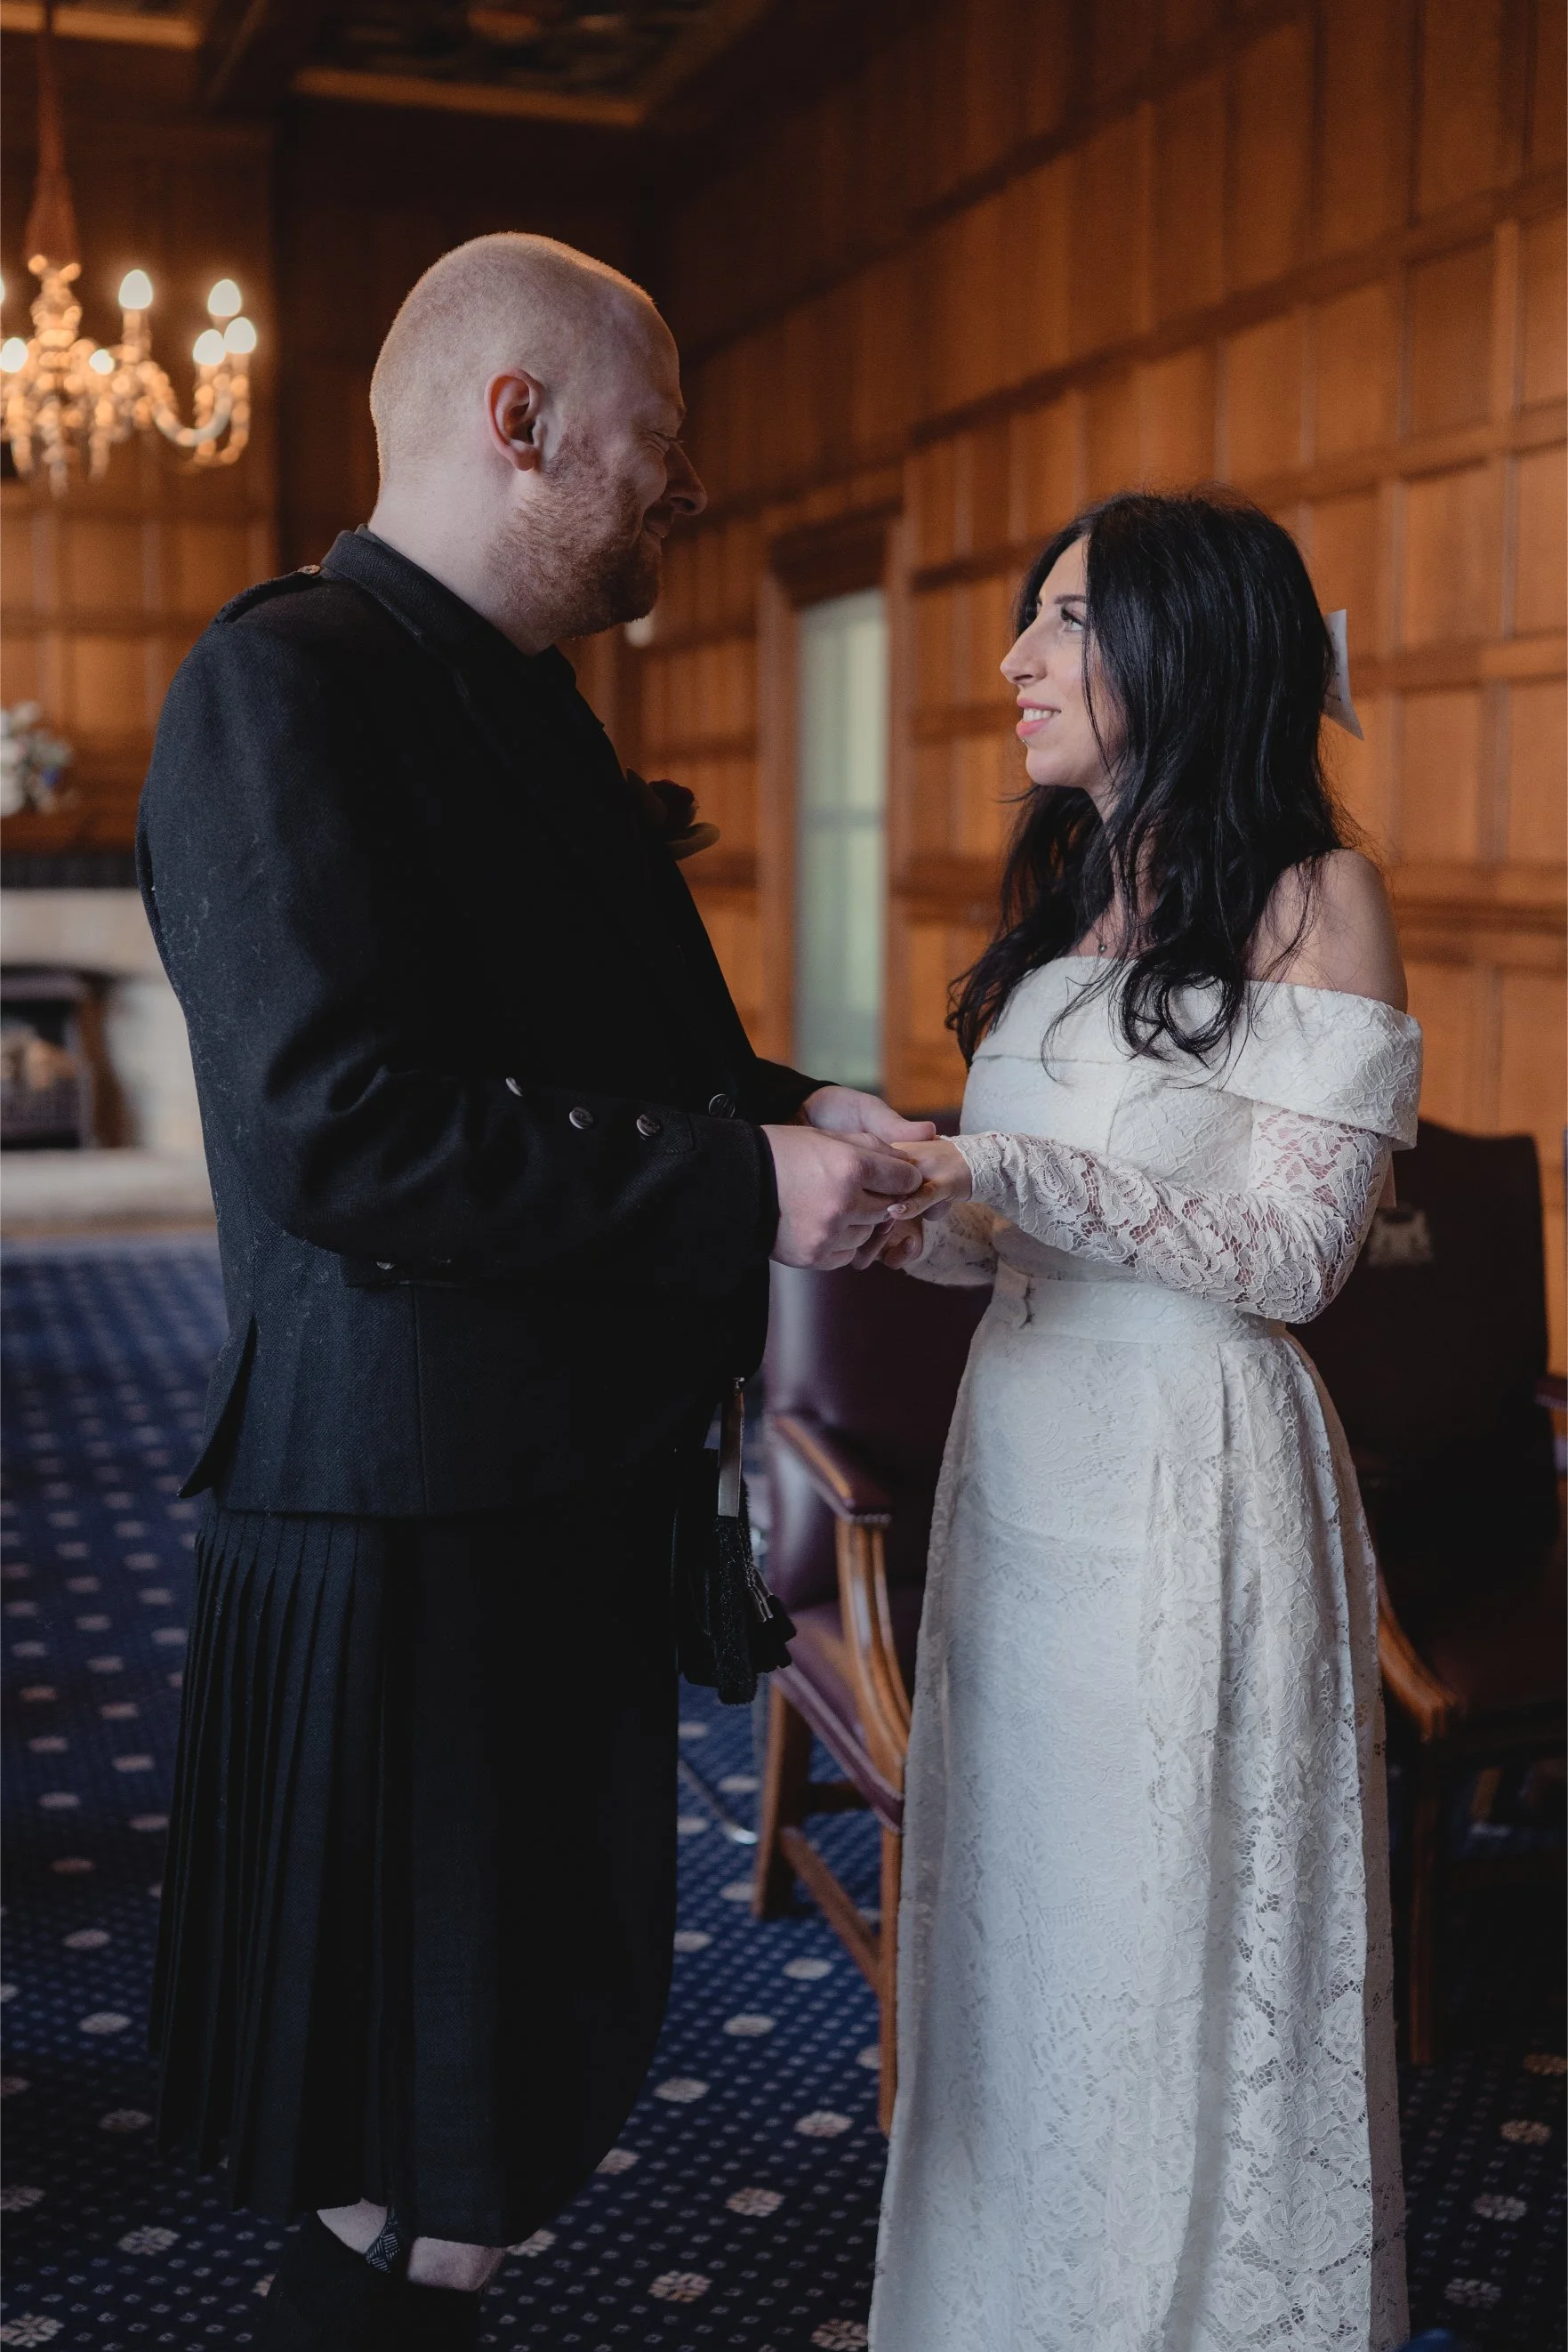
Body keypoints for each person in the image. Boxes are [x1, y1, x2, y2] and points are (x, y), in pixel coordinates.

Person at [137, 231, 931, 2351]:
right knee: (416, 2163)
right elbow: (340, 1129)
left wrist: (789, 1103)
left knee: (490, 2126)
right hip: (406, 1527)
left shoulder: (522, 706)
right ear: (524, 423)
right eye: (657, 454)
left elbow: (592, 1075)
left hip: (541, 1498)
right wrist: (740, 1172)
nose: (681, 499)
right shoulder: (283, 678)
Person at [866, 491, 1417, 2349]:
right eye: (1024, 616)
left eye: (1063, 619)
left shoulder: (1313, 898)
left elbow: (1292, 1254)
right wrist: (915, 1208)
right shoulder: (1049, 915)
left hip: (1194, 1475)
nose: (1013, 658)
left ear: (1188, 647)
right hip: (1019, 1465)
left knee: (1175, 1929)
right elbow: (1015, 1231)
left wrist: (999, 1161)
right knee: (1027, 1936)